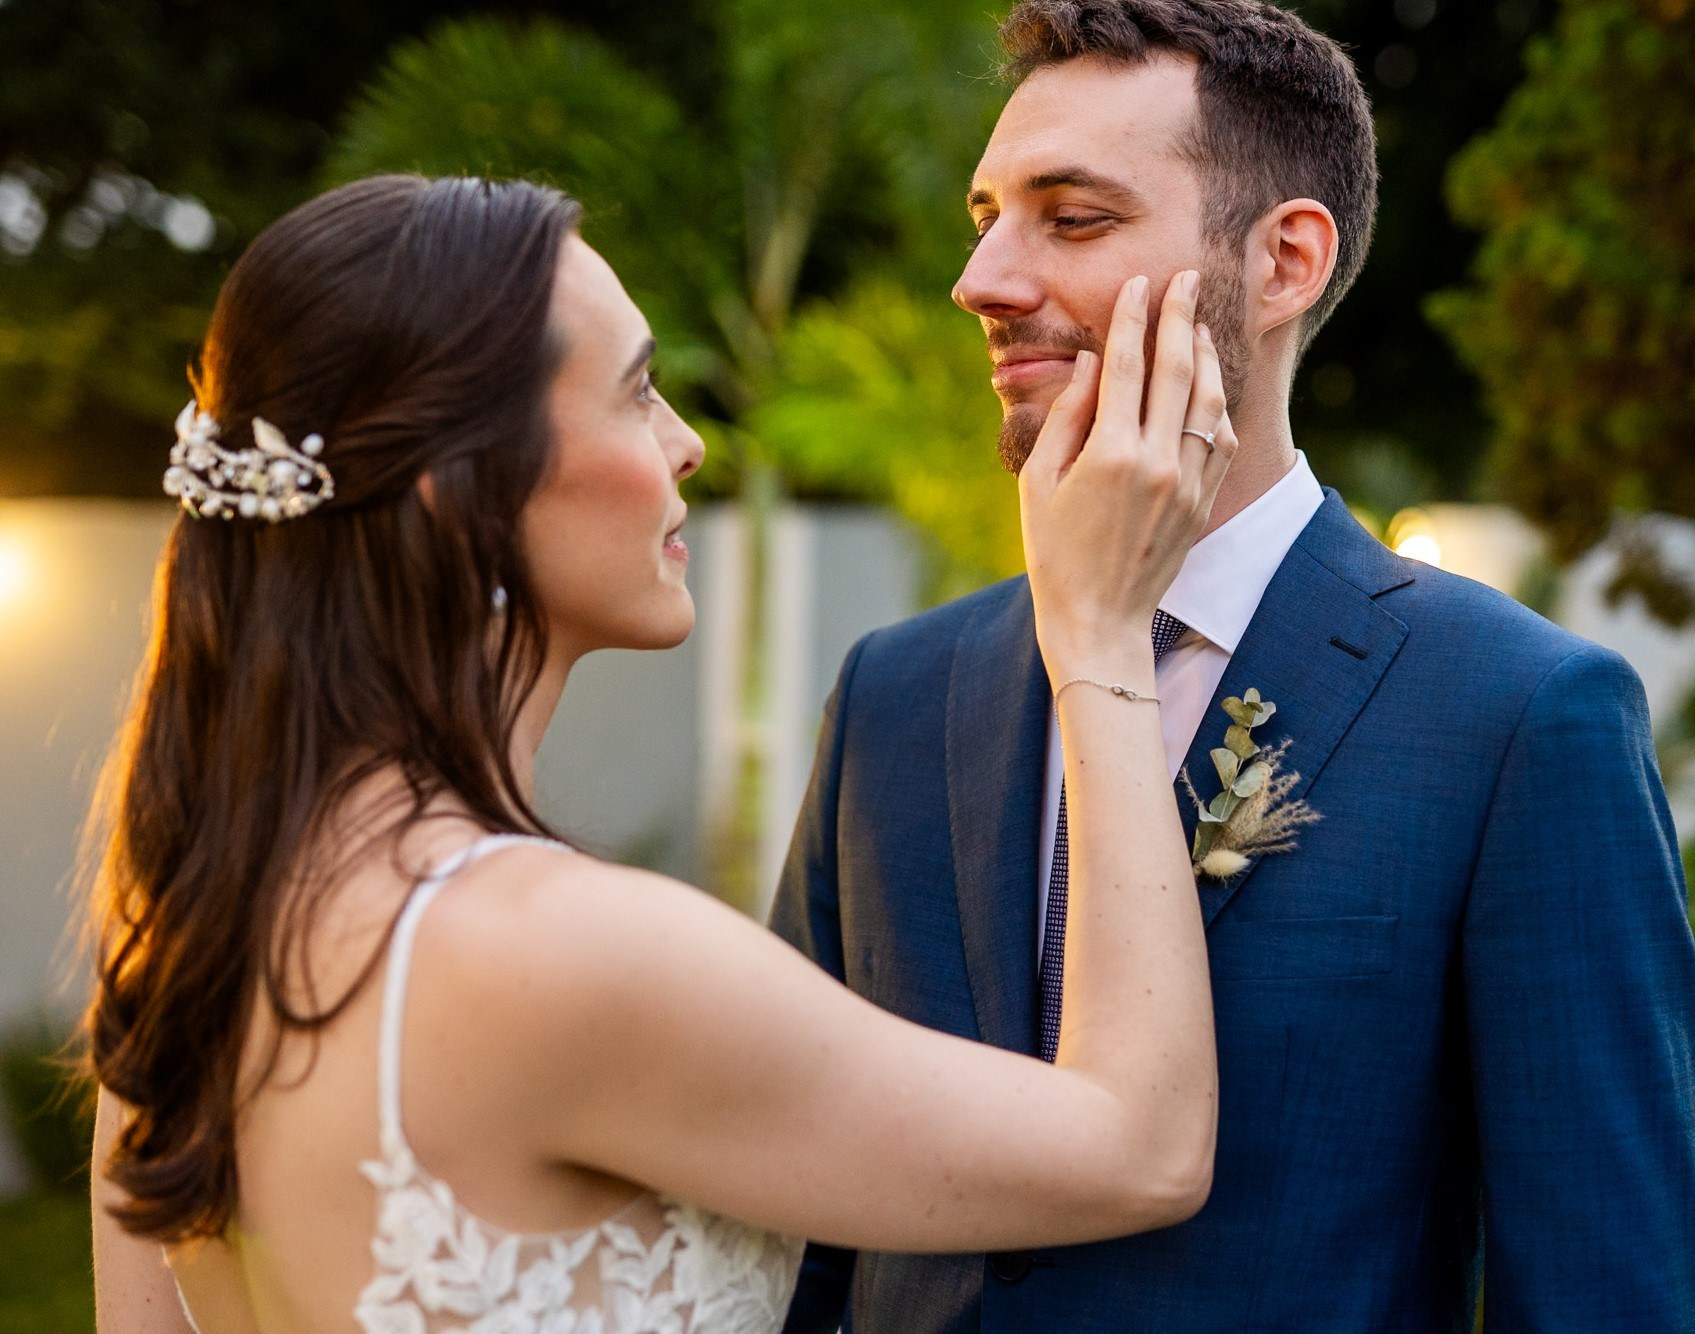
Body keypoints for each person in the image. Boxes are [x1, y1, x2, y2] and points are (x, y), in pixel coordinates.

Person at [84, 172, 1238, 1333]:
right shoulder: (564, 953)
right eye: (637, 392)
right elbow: (1140, 1148)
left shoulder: (184, 959)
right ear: (455, 494)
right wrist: (1096, 631)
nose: (686, 445)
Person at [770, 1, 1695, 1330]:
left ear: (1283, 263)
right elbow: (810, 1232)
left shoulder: (1516, 716)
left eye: (1074, 217)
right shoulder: (894, 695)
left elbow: (1606, 1294)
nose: (982, 280)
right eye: (984, 217)